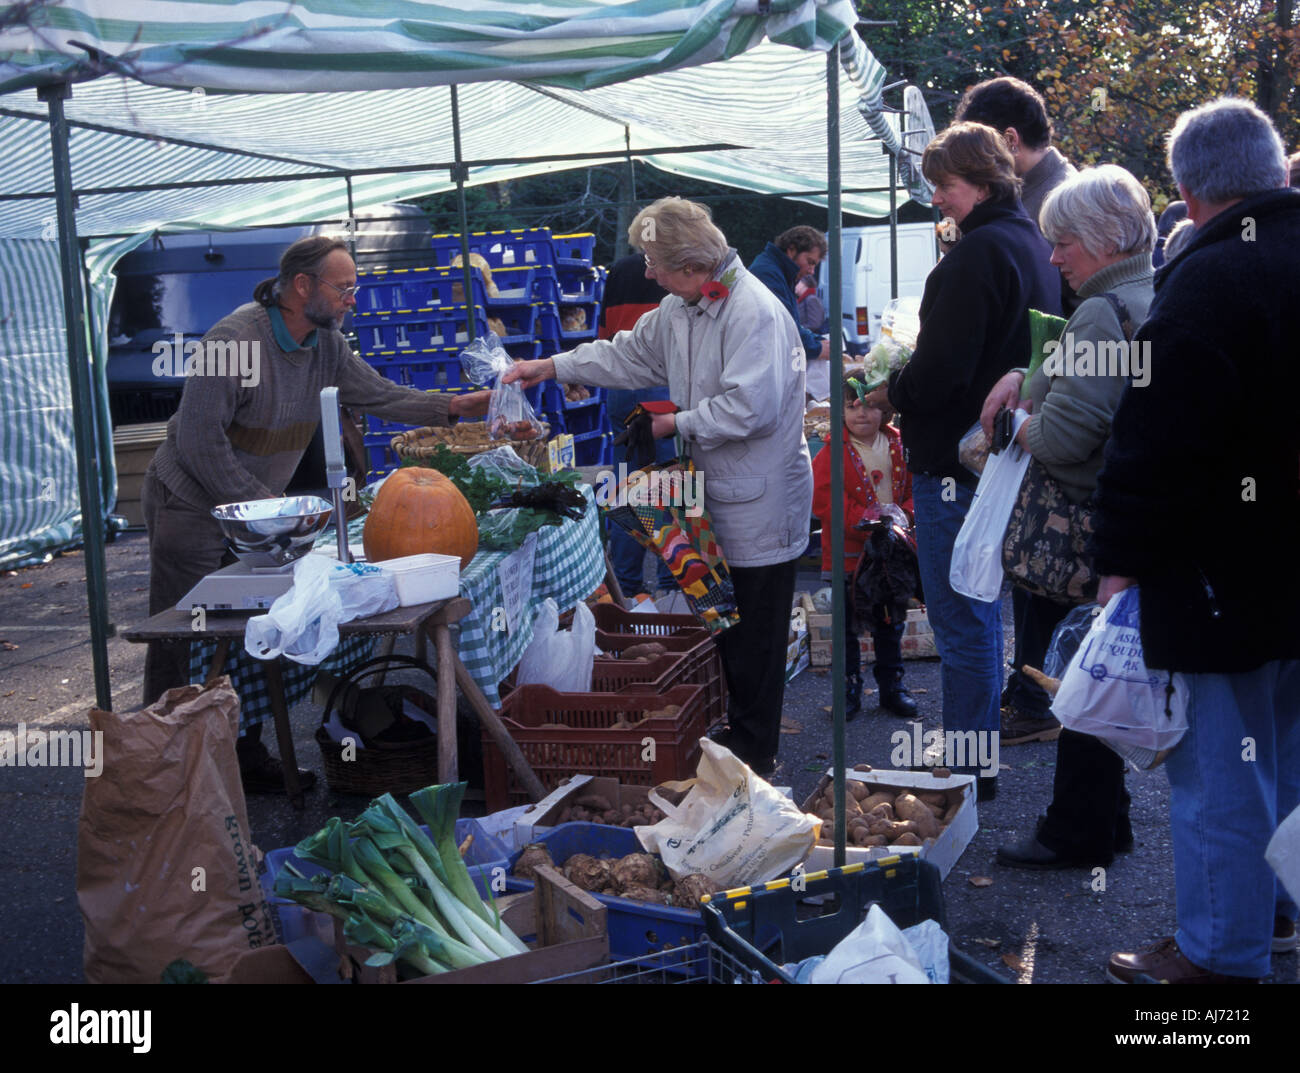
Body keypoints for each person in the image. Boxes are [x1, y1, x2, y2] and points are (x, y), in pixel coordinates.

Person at [142, 236, 490, 792]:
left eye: (354, 287)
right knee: (181, 635)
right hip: (189, 503)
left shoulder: (325, 344)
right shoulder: (233, 342)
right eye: (344, 287)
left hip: (255, 512)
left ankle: (243, 754)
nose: (353, 297)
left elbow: (377, 394)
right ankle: (162, 767)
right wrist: (268, 511)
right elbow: (199, 442)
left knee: (256, 627)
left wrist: (450, 406)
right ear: (302, 287)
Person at [1093, 98, 1299, 983]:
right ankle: (1273, 914)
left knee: (1221, 773)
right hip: (1281, 570)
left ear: (1186, 190)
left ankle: (1219, 958)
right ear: (1276, 170)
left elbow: (1154, 444)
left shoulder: (1209, 281)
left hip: (1223, 577)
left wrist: (1118, 560)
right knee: (1283, 757)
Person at [504, 197, 813, 777]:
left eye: (654, 263)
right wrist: (551, 367)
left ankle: (756, 756)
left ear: (693, 266)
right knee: (724, 619)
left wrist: (676, 423)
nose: (647, 273)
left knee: (757, 632)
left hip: (761, 501)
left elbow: (754, 407)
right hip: (714, 494)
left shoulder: (754, 311)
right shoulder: (680, 306)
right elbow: (627, 355)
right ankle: (740, 741)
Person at [873, 122, 1061, 800]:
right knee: (978, 615)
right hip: (1004, 461)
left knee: (962, 620)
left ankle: (967, 769)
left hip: (959, 468)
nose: (936, 198)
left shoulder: (976, 255)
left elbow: (941, 374)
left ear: (981, 183)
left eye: (944, 185)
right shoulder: (1032, 241)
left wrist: (892, 389)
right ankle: (974, 761)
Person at [976, 165, 1156, 868]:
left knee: (1077, 681)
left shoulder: (1100, 311)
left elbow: (1064, 440)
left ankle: (1074, 831)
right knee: (1102, 672)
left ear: (1106, 240)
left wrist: (1018, 422)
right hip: (1128, 523)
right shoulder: (1152, 292)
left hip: (1081, 528)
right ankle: (1107, 822)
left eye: (1065, 242)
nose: (1053, 258)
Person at [811, 367, 915, 719]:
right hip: (848, 554)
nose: (861, 413)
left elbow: (914, 490)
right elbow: (825, 500)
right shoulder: (830, 453)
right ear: (840, 411)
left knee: (889, 622)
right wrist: (867, 522)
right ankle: (848, 689)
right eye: (852, 406)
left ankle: (892, 686)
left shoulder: (900, 444)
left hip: (889, 556)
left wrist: (903, 516)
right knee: (845, 629)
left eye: (869, 405)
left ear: (885, 409)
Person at [597, 252, 675, 602]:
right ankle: (672, 584)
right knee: (671, 484)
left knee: (627, 484)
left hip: (620, 385)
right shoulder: (675, 265)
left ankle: (626, 585)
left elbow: (603, 333)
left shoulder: (620, 268)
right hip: (661, 383)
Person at [748, 225, 831, 398]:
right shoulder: (768, 273)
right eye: (810, 262)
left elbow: (791, 322)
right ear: (792, 250)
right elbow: (783, 327)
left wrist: (817, 340)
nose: (811, 271)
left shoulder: (778, 271)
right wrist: (816, 348)